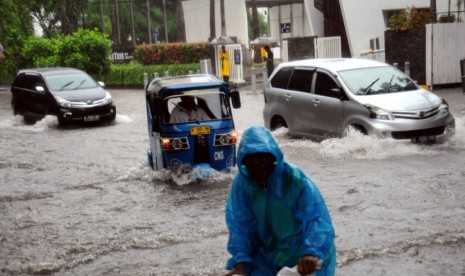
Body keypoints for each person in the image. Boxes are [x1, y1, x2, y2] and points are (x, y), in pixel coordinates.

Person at [225, 125, 336, 276]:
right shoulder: (242, 185)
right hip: (268, 256)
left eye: (262, 157)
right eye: (251, 159)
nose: (257, 164)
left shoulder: (294, 179)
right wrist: (241, 257)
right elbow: (241, 226)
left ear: (273, 158)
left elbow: (316, 219)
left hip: (304, 255)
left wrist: (312, 252)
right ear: (244, 162)